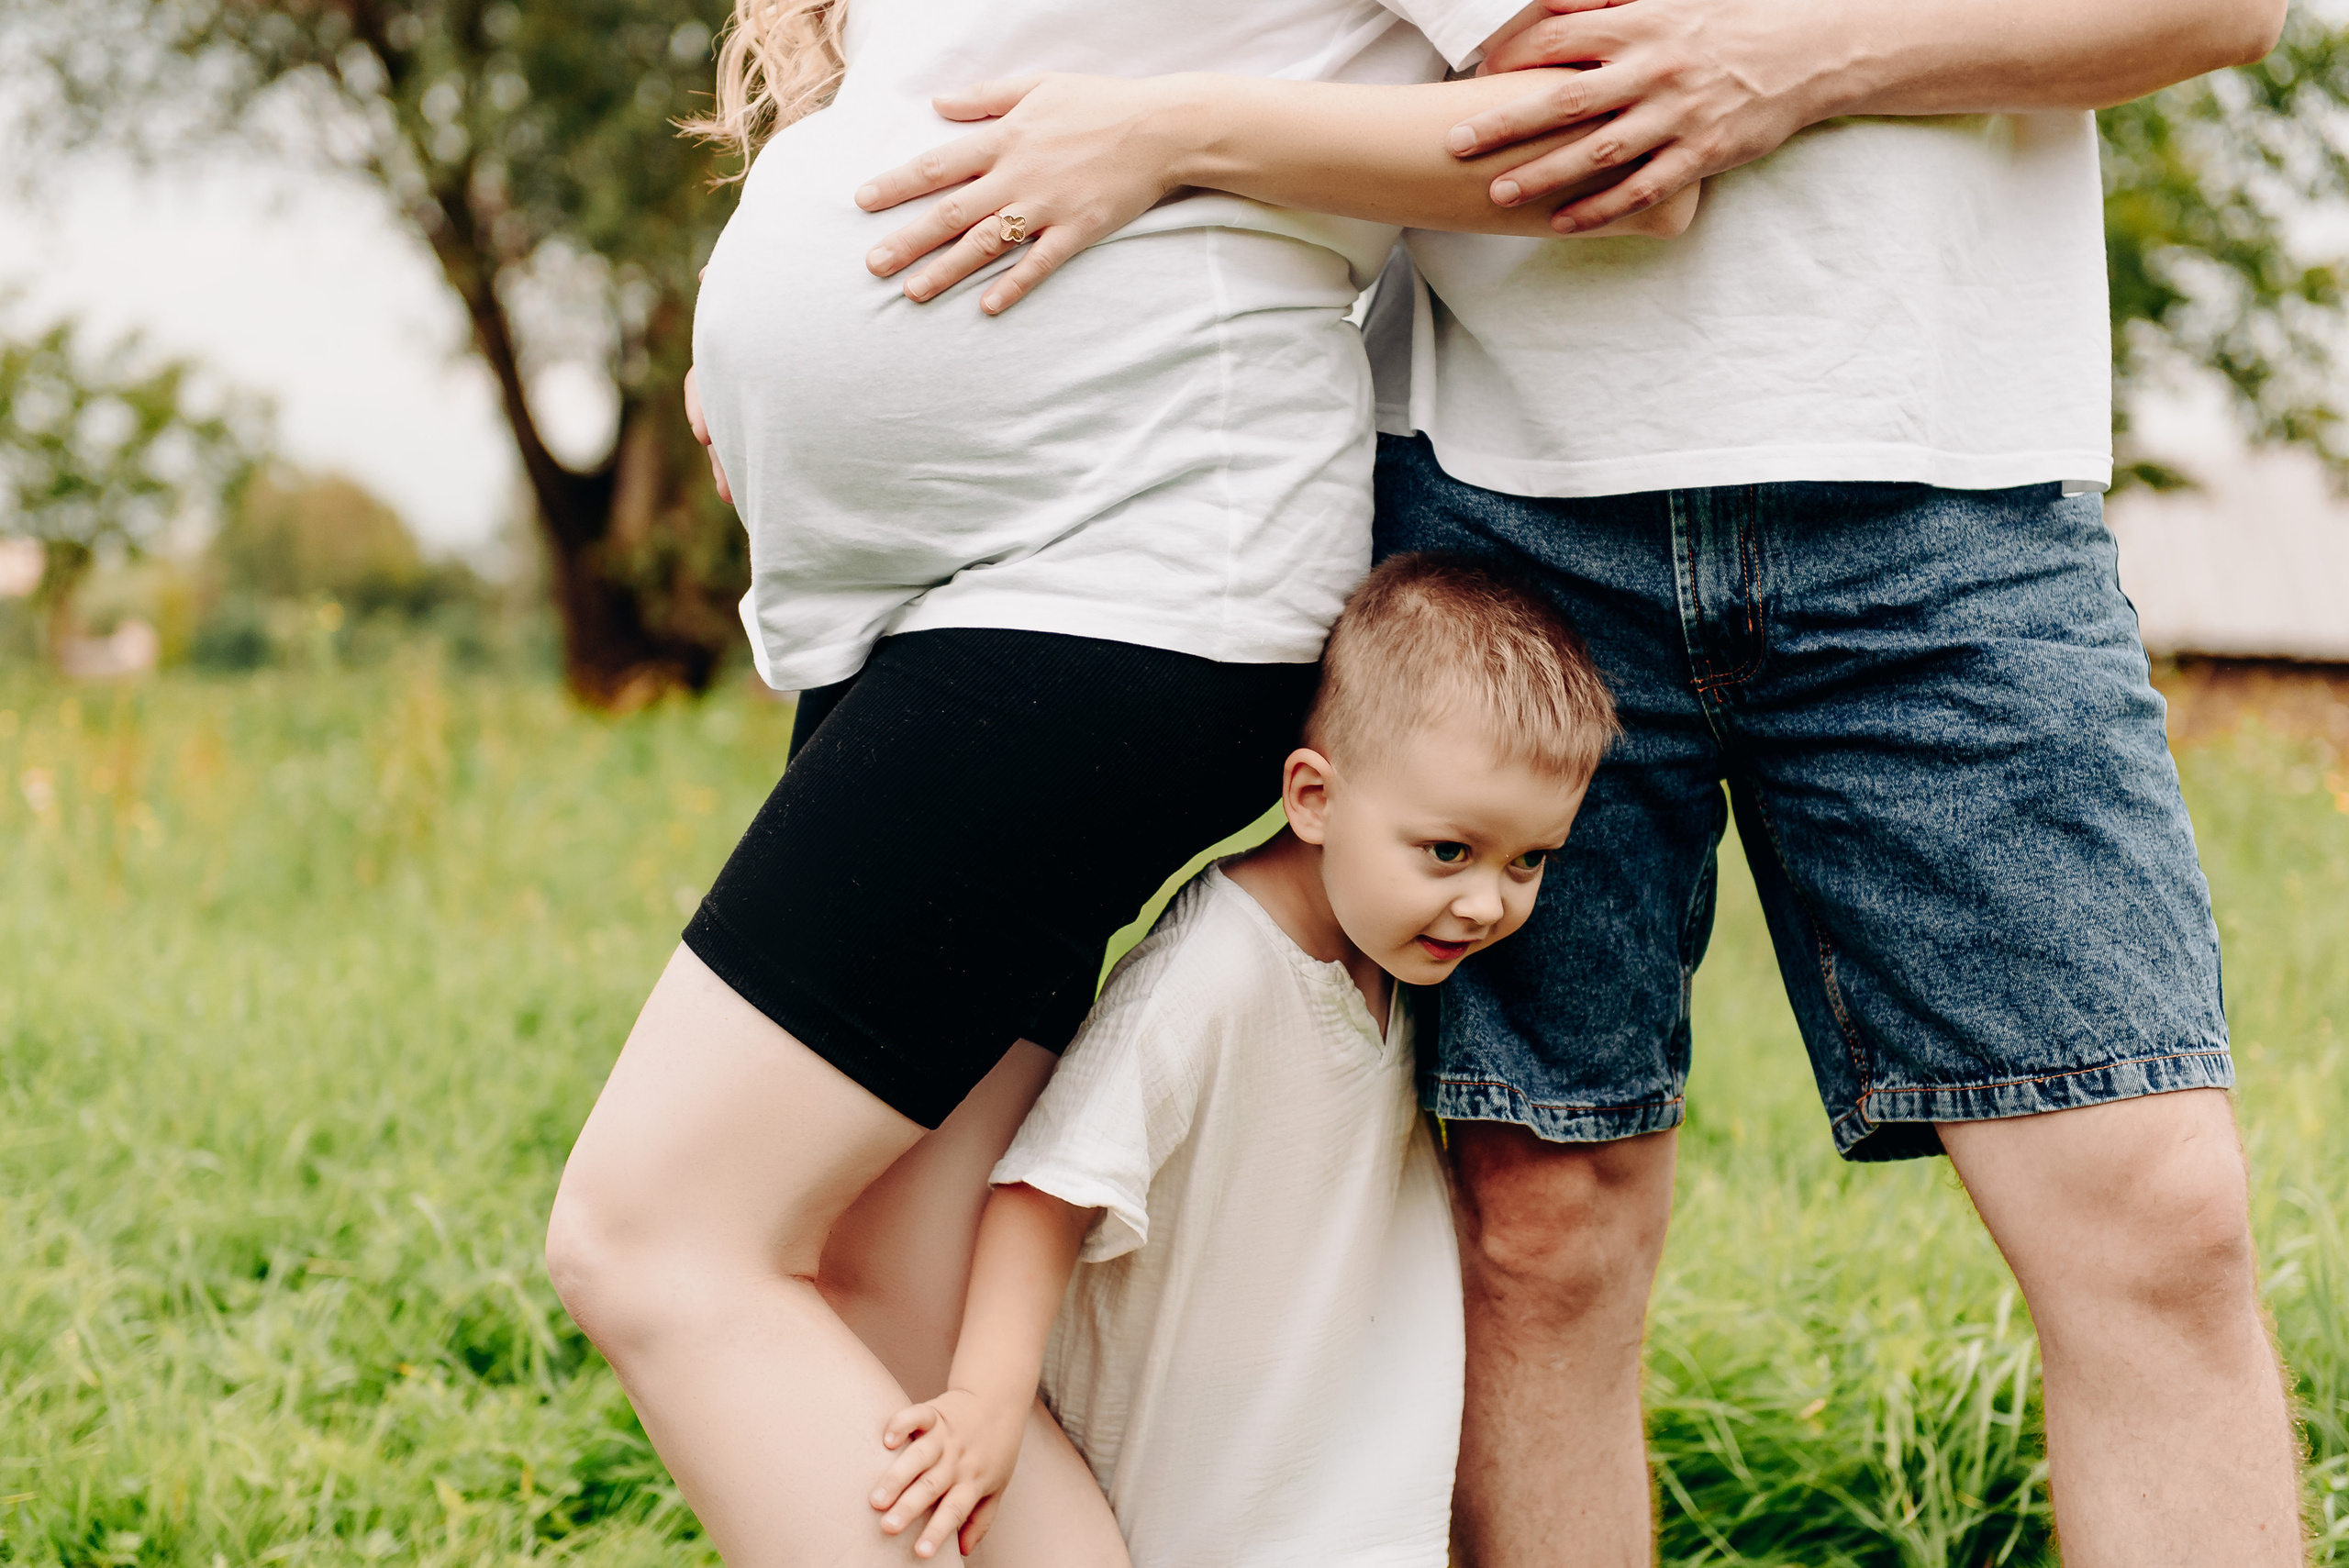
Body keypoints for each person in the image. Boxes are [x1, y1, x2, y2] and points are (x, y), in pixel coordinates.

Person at [846, 1, 2305, 1562]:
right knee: (1545, 1232)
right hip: (1507, 486)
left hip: (1946, 482)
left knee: (2154, 1211)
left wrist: (1793, 60)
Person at [545, 0, 1695, 1562]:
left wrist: (1172, 133)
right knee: (906, 1303)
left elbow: (1612, 126)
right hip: (942, 598)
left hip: (1132, 570)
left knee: (654, 1236)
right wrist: (764, 328)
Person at [864, 553, 1616, 1565]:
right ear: (1311, 797)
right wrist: (985, 1401)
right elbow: (1045, 1188)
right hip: (1184, 1509)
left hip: (1328, 1503)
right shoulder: (1213, 972)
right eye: (1449, 850)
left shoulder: (1393, 947)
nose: (1488, 902)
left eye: (1528, 860)